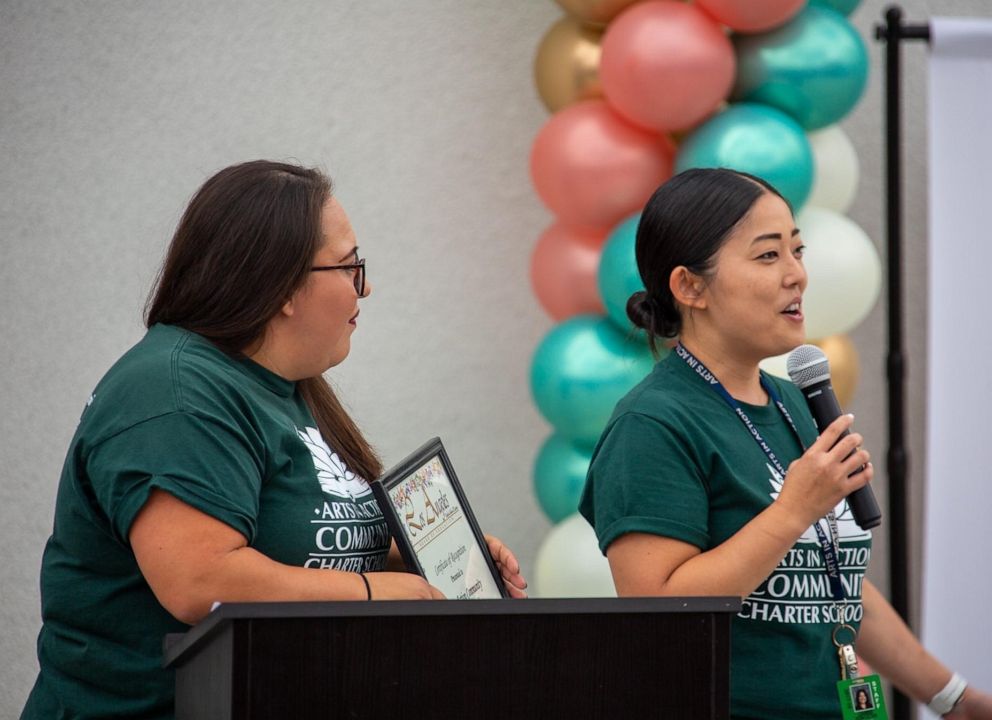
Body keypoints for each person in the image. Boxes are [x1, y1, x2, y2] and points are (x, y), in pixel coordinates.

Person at [21, 160, 527, 720]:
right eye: (349, 265)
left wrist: (420, 553)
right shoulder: (174, 394)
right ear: (284, 285)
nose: (367, 286)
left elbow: (290, 534)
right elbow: (200, 579)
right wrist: (372, 593)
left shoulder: (279, 383)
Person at [579, 168, 992, 719]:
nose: (797, 275)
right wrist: (794, 509)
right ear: (690, 287)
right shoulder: (653, 423)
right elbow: (660, 608)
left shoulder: (796, 400)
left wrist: (954, 699)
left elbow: (836, 583)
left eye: (797, 251)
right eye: (768, 256)